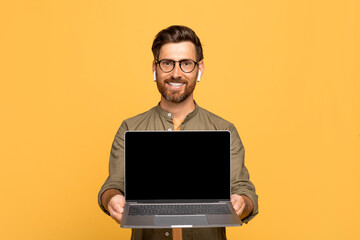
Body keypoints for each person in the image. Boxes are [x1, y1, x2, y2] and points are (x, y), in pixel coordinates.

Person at [98, 25, 258, 240]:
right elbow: (112, 186)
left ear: (199, 69)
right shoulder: (130, 128)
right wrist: (112, 199)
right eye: (167, 63)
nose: (176, 73)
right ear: (155, 68)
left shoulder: (224, 129)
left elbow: (244, 190)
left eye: (186, 64)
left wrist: (242, 203)